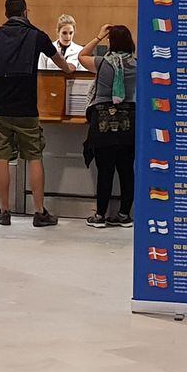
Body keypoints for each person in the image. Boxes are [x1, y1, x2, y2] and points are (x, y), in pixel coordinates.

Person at [0, 0, 74, 228]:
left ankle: (4, 211)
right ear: (25, 12)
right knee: (34, 157)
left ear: (5, 13)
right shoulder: (36, 35)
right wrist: (68, 69)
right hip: (27, 110)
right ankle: (39, 212)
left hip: (0, 110)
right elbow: (59, 61)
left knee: (1, 158)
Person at [78, 24, 136, 228]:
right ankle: (124, 215)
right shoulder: (138, 65)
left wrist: (98, 36)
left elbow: (81, 55)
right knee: (127, 170)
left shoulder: (102, 63)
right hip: (129, 122)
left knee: (105, 170)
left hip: (102, 122)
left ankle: (100, 215)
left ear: (111, 42)